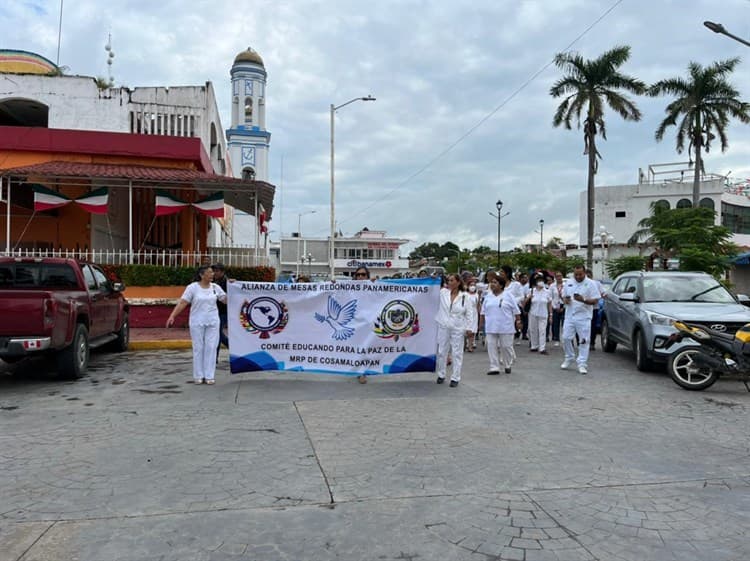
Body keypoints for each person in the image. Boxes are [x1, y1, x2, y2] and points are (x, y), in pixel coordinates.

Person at [166, 265, 227, 385]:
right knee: (199, 347)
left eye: (213, 273)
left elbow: (225, 300)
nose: (212, 275)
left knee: (211, 347)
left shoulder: (215, 287)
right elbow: (183, 302)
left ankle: (209, 375)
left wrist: (236, 289)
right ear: (202, 275)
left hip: (213, 321)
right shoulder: (192, 288)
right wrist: (172, 315)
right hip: (197, 321)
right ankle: (198, 375)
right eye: (209, 273)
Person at [435, 273, 475, 387]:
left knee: (457, 353)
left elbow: (469, 313)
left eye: (452, 280)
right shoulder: (443, 293)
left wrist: (469, 328)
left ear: (458, 282)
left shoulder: (465, 296)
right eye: (448, 280)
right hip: (443, 325)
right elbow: (432, 287)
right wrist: (434, 279)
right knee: (442, 351)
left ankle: (455, 377)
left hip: (458, 327)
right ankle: (441, 374)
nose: (449, 282)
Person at [560, 265, 601, 375]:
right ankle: (569, 357)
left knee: (583, 340)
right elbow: (563, 296)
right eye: (576, 274)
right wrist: (565, 300)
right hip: (569, 315)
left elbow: (595, 301)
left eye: (580, 274)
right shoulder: (569, 282)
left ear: (584, 273)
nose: (578, 276)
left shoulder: (591, 283)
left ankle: (582, 363)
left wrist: (583, 300)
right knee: (566, 338)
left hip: (584, 317)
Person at [480, 276, 521, 375]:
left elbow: (516, 310)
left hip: (505, 326)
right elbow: (483, 311)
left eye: (495, 282)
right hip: (491, 326)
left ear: (501, 285)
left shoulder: (508, 295)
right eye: (492, 282)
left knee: (506, 346)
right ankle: (494, 367)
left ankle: (507, 364)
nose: (492, 284)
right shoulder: (488, 296)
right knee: (491, 346)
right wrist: (481, 325)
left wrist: (518, 321)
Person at [352, 266, 371, 384]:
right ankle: (359, 371)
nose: (360, 277)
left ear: (367, 276)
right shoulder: (349, 288)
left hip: (369, 324)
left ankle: (362, 372)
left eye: (363, 274)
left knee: (366, 348)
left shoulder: (375, 287)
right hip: (354, 324)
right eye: (358, 274)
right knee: (356, 349)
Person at [527, 273, 552, 354]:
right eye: (538, 281)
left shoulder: (547, 292)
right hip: (533, 313)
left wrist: (551, 315)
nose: (540, 282)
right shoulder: (531, 291)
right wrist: (528, 298)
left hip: (543, 314)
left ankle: (542, 348)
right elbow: (525, 303)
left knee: (542, 330)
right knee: (533, 329)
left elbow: (549, 304)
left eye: (541, 280)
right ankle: (534, 346)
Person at [212, 262, 229, 363]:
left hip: (223, 312)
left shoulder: (227, 282)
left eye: (217, 271)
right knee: (218, 333)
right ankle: (233, 346)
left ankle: (214, 358)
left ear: (222, 272)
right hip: (214, 312)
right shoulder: (213, 281)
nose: (215, 273)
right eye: (214, 271)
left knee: (217, 333)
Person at [550, 271, 565, 347]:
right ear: (555, 277)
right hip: (555, 306)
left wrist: (563, 307)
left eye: (560, 276)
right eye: (557, 276)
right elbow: (550, 297)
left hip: (564, 306)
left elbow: (568, 296)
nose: (559, 277)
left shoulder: (566, 285)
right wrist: (554, 307)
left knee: (564, 324)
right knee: (556, 324)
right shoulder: (552, 286)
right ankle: (557, 339)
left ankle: (564, 338)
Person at [465, 277, 480, 352]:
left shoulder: (477, 295)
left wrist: (479, 313)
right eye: (471, 285)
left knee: (473, 330)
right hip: (466, 313)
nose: (472, 287)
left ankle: (470, 346)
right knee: (466, 329)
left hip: (474, 313)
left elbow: (478, 305)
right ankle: (465, 344)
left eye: (474, 285)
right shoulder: (465, 294)